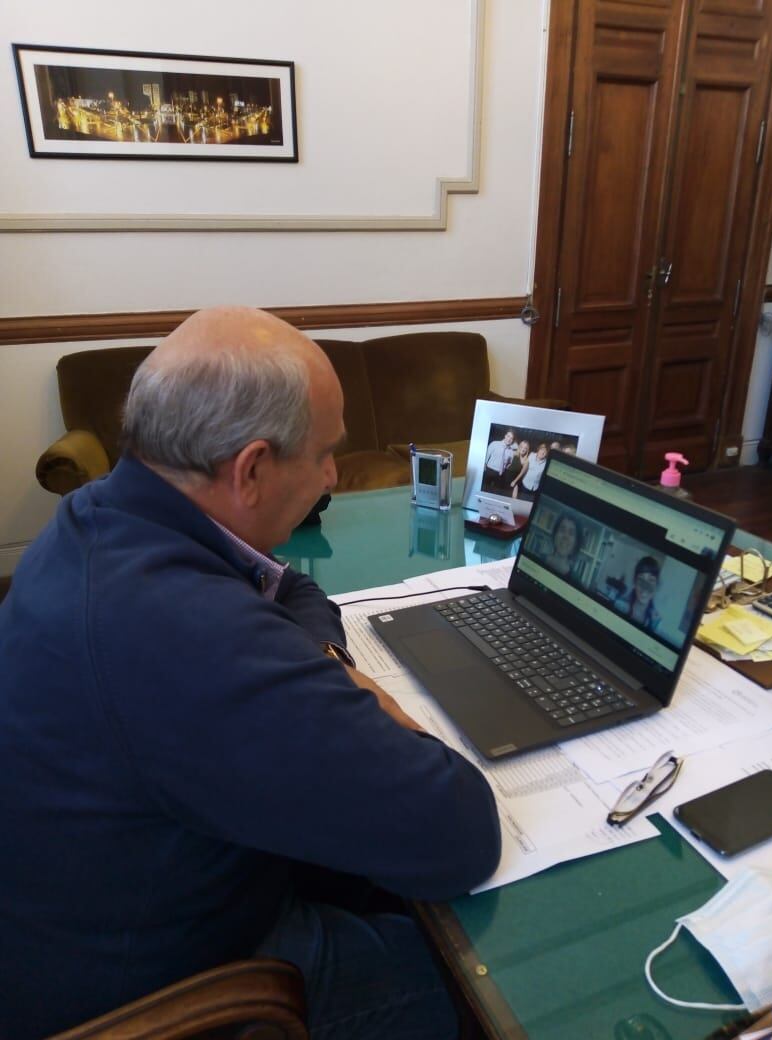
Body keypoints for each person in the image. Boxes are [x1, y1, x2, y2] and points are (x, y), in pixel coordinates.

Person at [0, 307, 501, 1040]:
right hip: (159, 987)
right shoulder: (187, 631)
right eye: (326, 453)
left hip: (86, 907)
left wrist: (322, 661)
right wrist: (359, 692)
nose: (333, 474)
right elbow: (459, 832)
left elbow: (292, 588)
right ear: (253, 469)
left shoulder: (105, 516)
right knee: (467, 981)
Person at [613, 555, 662, 631]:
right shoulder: (619, 604)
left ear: (656, 586)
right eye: (641, 579)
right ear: (634, 582)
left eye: (651, 580)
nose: (645, 587)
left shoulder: (656, 622)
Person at [543, 513, 583, 578]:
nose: (566, 536)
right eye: (562, 530)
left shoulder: (575, 580)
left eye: (571, 533)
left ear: (576, 543)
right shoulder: (537, 558)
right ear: (555, 535)